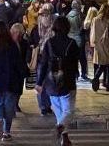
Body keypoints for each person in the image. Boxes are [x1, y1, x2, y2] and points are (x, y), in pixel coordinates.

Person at [36, 16, 81, 146]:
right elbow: (75, 62)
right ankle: (60, 127)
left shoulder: (49, 43)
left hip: (51, 82)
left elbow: (43, 63)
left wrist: (39, 83)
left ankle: (64, 137)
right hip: (67, 80)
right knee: (68, 111)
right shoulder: (72, 43)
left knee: (59, 111)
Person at [0, 21, 25, 142]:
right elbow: (18, 63)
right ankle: (6, 132)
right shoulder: (12, 45)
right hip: (10, 80)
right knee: (9, 106)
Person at [89, 4, 109, 93]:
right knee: (108, 64)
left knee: (102, 63)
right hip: (108, 44)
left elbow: (92, 32)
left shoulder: (95, 20)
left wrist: (93, 43)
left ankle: (97, 78)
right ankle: (107, 83)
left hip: (98, 43)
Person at [65, 0, 89, 82]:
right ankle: (84, 73)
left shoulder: (68, 15)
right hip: (79, 38)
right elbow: (84, 27)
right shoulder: (81, 15)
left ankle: (75, 73)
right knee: (82, 57)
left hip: (70, 38)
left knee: (73, 58)